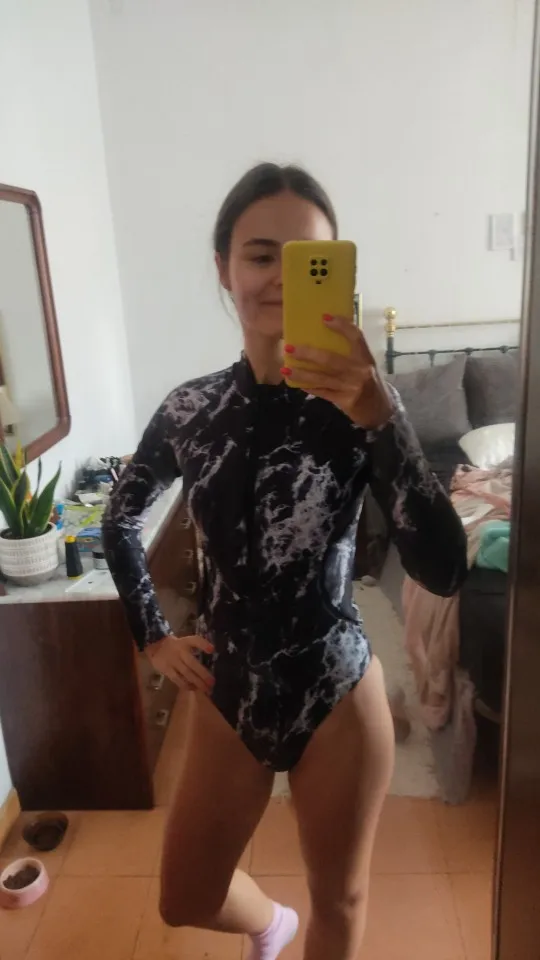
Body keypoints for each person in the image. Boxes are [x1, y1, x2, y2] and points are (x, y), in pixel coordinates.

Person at [102, 162, 467, 960]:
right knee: (185, 897)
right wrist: (152, 635)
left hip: (335, 688)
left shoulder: (364, 404)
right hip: (227, 687)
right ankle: (271, 925)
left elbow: (444, 569)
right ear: (223, 269)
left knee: (341, 897)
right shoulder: (191, 409)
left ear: (337, 274)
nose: (278, 277)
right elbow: (119, 516)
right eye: (260, 255)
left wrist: (382, 419)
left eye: (307, 261)